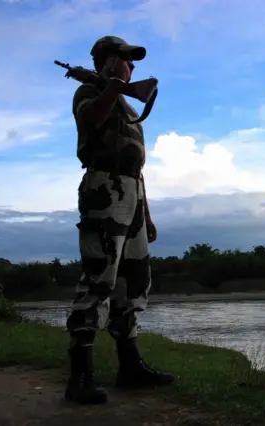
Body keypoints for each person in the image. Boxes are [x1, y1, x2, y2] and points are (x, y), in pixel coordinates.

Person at [64, 36, 174, 405]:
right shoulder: (88, 93)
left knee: (136, 280)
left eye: (131, 60)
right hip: (103, 187)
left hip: (131, 191)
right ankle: (80, 376)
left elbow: (136, 164)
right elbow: (93, 117)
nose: (132, 65)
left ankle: (131, 367)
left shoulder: (125, 103)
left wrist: (146, 214)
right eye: (125, 59)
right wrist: (109, 84)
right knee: (99, 280)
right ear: (107, 61)